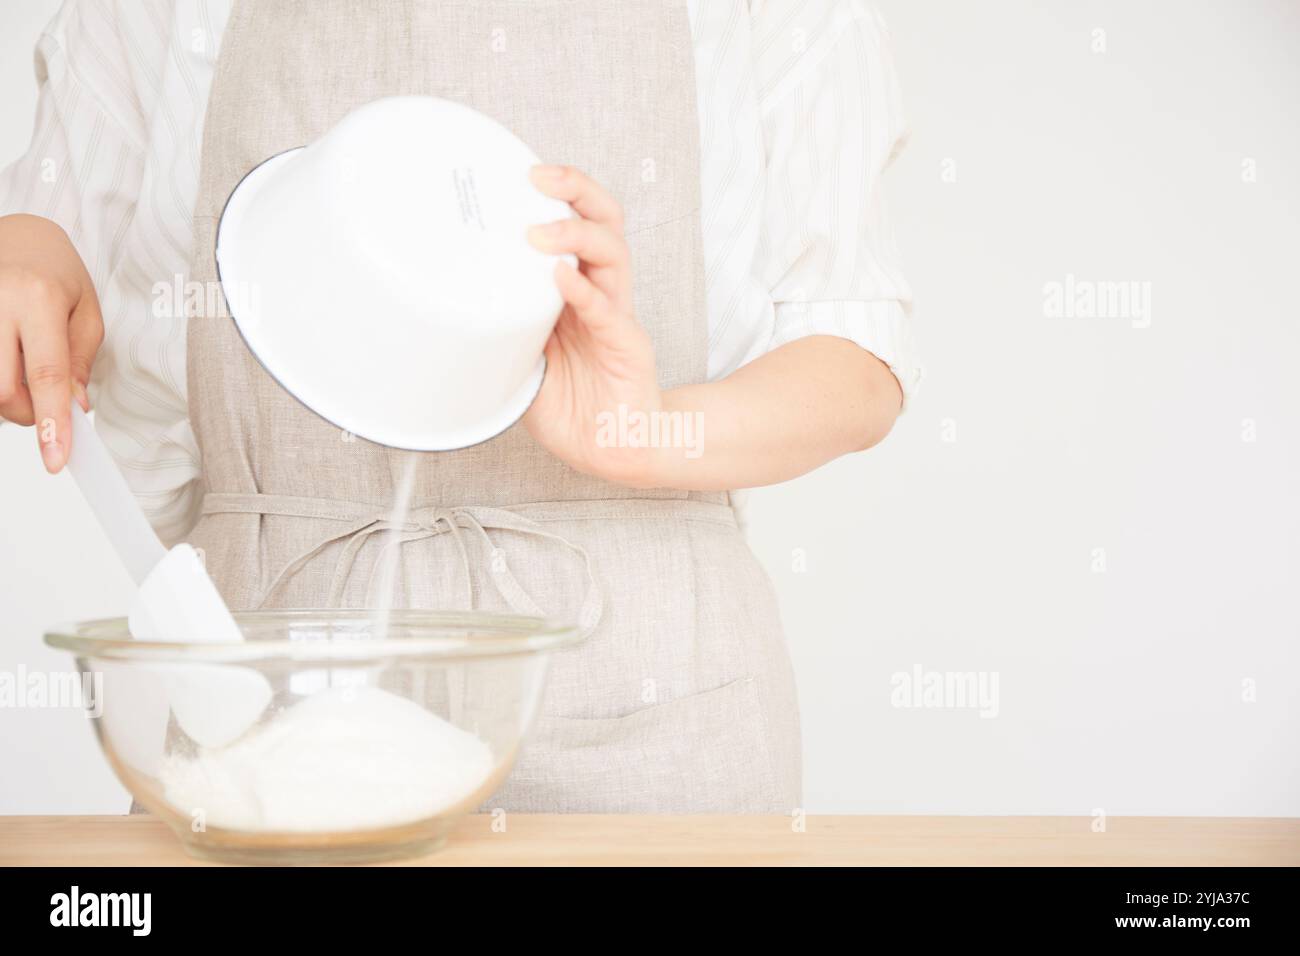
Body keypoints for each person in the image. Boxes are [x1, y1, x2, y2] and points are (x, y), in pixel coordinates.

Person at [0, 0, 919, 812]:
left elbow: (852, 358)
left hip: (654, 700)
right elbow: (54, 232)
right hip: (265, 691)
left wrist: (642, 434)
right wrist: (28, 249)